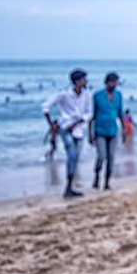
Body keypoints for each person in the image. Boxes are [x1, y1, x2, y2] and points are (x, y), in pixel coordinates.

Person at [42, 68, 92, 198]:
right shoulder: (64, 94)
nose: (86, 81)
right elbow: (46, 106)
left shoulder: (87, 95)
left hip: (79, 130)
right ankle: (69, 186)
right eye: (83, 79)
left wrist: (77, 123)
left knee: (75, 158)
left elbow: (89, 113)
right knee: (72, 155)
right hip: (66, 128)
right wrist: (51, 124)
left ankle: (69, 185)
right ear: (77, 81)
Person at [89, 72, 125, 190]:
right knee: (101, 155)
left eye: (115, 82)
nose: (114, 84)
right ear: (106, 82)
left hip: (113, 131)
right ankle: (96, 176)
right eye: (112, 82)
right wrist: (90, 133)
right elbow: (92, 116)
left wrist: (124, 130)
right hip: (100, 131)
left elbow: (120, 114)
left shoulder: (118, 95)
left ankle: (107, 182)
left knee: (111, 157)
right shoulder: (97, 96)